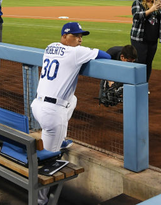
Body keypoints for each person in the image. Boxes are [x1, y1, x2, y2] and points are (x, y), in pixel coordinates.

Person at [30, 22, 110, 205]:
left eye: (81, 36)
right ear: (65, 36)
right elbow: (104, 55)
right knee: (49, 162)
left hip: (37, 106)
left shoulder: (50, 47)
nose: (80, 40)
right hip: (52, 114)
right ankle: (40, 201)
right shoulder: (76, 53)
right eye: (76, 36)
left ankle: (59, 139)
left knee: (72, 99)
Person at [130, 0, 161, 83]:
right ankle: (136, 83)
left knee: (149, 62)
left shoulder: (156, 3)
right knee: (140, 62)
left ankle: (144, 84)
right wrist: (151, 10)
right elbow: (136, 16)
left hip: (153, 39)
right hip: (139, 39)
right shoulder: (137, 3)